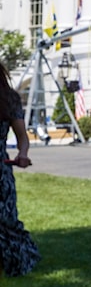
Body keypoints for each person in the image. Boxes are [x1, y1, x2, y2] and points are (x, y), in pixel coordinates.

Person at [0, 61, 41, 276]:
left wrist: (23, 154)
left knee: (6, 222)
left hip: (1, 171)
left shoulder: (9, 99)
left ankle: (14, 260)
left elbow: (22, 137)